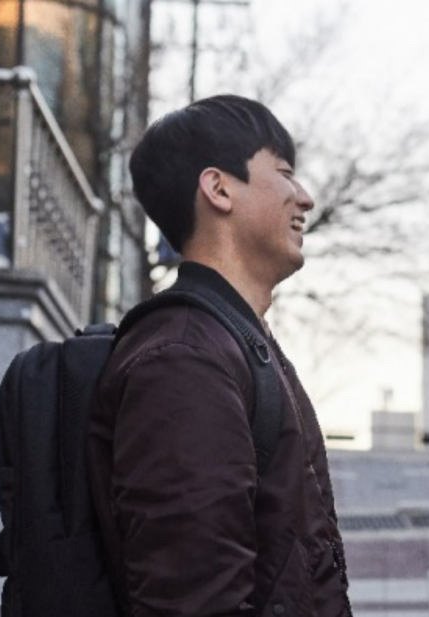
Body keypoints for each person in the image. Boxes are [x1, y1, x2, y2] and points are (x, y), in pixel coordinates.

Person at [88, 95, 352, 617]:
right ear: (218, 188)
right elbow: (194, 600)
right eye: (284, 173)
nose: (305, 198)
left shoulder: (228, 341)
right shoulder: (183, 361)